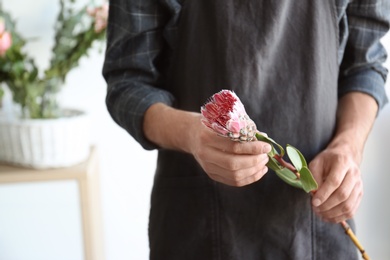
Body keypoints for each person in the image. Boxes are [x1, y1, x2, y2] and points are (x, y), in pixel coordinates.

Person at [103, 0, 390, 259]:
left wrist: (348, 147)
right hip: (199, 223)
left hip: (317, 224)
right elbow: (128, 81)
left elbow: (364, 67)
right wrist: (191, 134)